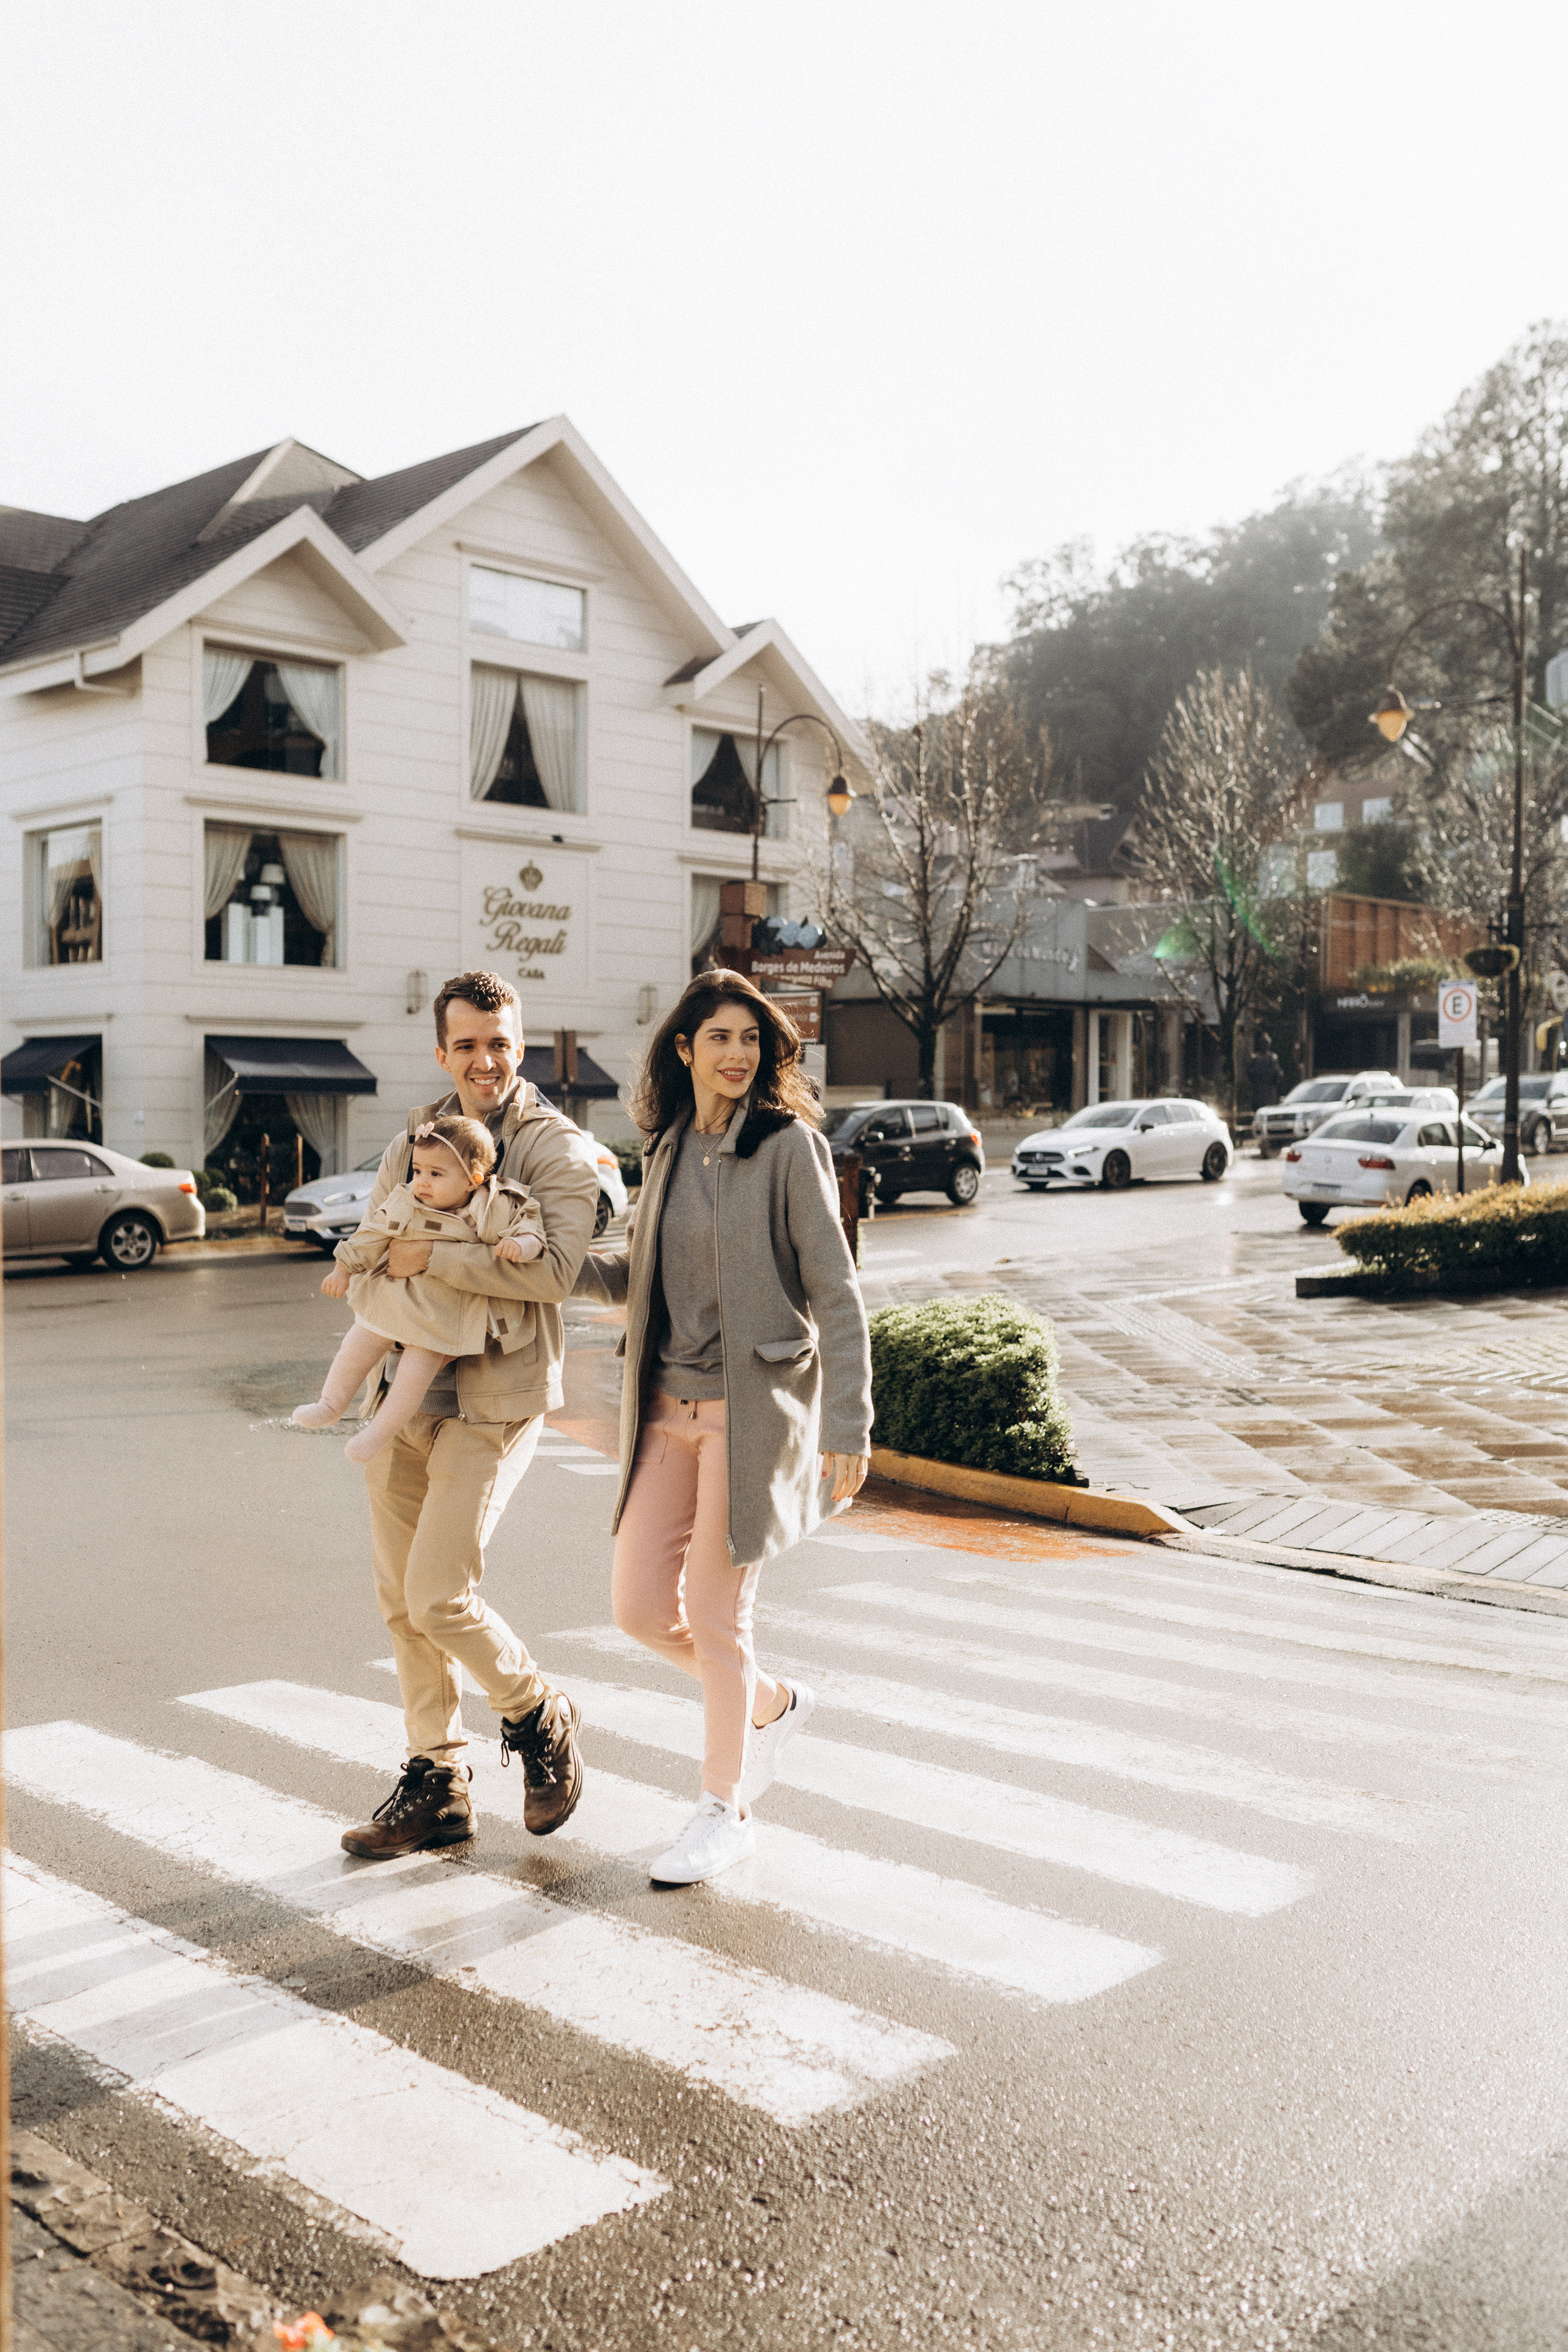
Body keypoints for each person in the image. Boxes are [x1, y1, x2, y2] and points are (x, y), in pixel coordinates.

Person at [576, 970, 873, 1888]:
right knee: (637, 1610)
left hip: (753, 1415)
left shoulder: (789, 1149)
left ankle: (723, 1809)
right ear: (684, 1049)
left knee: (714, 1615)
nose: (738, 1054)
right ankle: (769, 1703)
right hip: (664, 1411)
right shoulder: (664, 1147)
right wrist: (545, 1265)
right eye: (720, 1039)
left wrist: (849, 1423)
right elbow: (631, 1271)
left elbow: (836, 1290)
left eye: (752, 1039)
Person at [337, 971, 601, 1863]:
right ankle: (438, 1780)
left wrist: (434, 1257)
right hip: (406, 1394)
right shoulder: (421, 1136)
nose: (484, 1061)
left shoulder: (553, 1147)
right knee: (400, 1604)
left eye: (499, 1042)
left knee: (439, 1594)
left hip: (495, 1401)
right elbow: (379, 1249)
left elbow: (556, 1271)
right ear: (442, 1051)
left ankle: (536, 1712)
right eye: (467, 1045)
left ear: (519, 1044)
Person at [292, 1115, 546, 1464]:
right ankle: (330, 1404)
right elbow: (371, 1233)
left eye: (436, 1174)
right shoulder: (406, 1200)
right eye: (418, 1171)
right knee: (357, 1342)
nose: (422, 1183)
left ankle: (376, 1435)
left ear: (473, 1179)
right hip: (397, 1294)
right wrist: (343, 1268)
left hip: (444, 1312)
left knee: (413, 1377)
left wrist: (524, 1245)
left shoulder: (493, 1205)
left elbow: (530, 1226)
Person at [1246, 1035, 1285, 1108]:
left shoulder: (1272, 1057)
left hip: (1269, 1089)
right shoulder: (1255, 1058)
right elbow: (1250, 1073)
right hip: (1259, 1089)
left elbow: (1277, 1074)